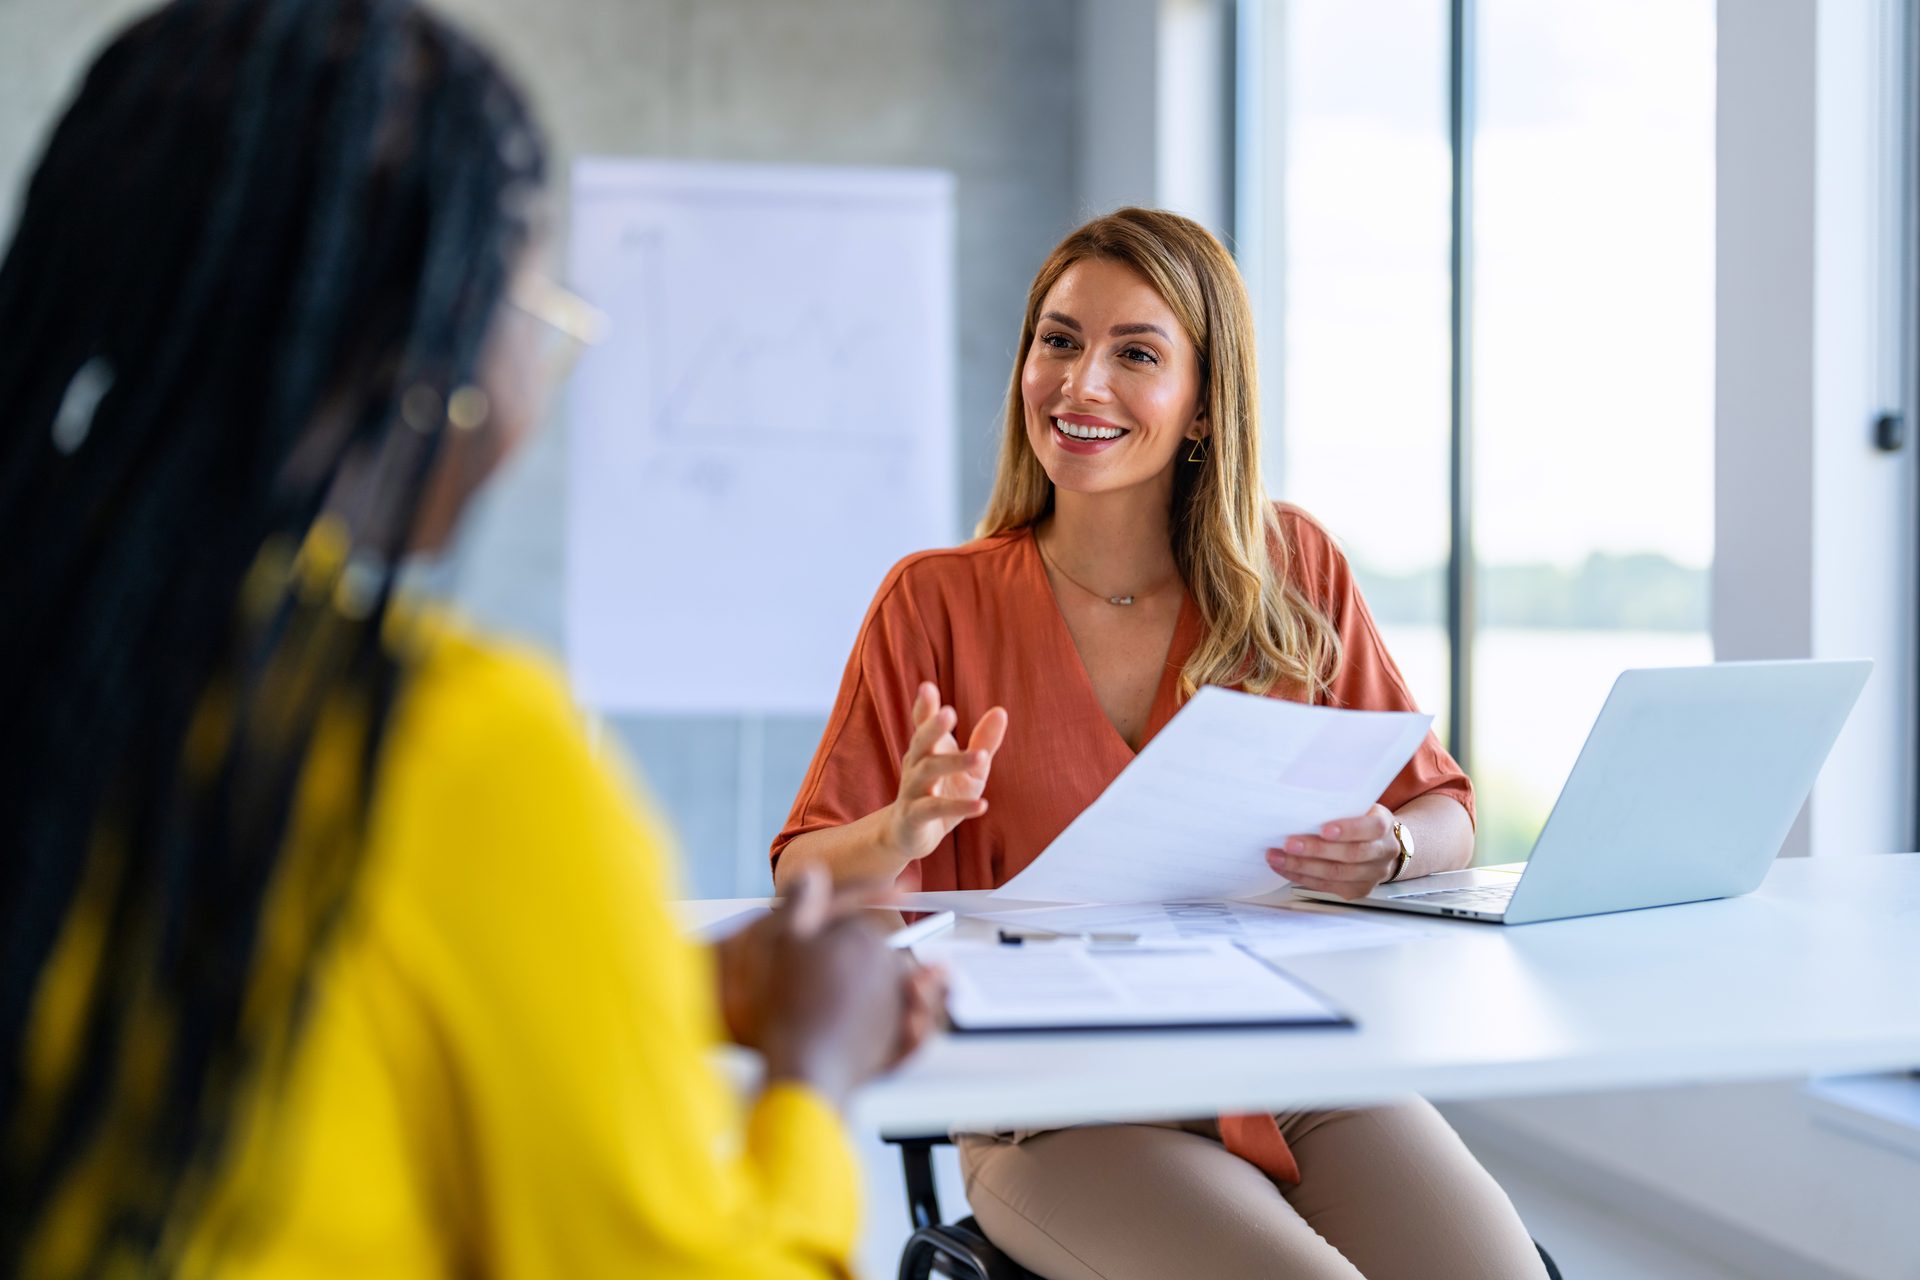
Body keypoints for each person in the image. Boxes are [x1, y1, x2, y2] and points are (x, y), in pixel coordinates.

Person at [0, 2, 935, 1276]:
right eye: (533, 305)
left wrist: (656, 980)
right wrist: (811, 1075)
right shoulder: (451, 746)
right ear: (423, 355)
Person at [773, 207, 1547, 1279]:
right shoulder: (935, 600)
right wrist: (899, 827)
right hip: (1056, 1103)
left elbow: (1447, 810)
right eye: (1059, 340)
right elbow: (803, 880)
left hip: (1290, 1067)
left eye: (1135, 352)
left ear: (1201, 403)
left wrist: (1393, 847)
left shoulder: (1292, 568)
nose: (1081, 383)